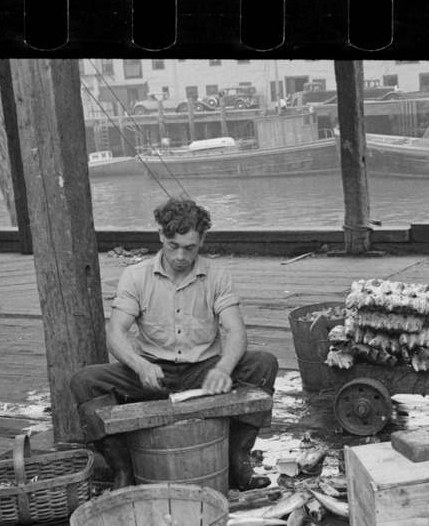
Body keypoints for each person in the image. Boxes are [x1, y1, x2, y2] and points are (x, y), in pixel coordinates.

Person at [70, 197, 278, 492]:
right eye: (173, 246)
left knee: (264, 363)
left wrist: (223, 367)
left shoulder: (217, 275)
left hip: (203, 372)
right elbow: (115, 333)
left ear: (202, 240)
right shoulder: (135, 276)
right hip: (152, 373)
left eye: (190, 248)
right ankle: (124, 471)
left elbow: (237, 333)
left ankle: (238, 461)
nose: (181, 255)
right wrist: (140, 365)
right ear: (161, 236)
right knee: (85, 381)